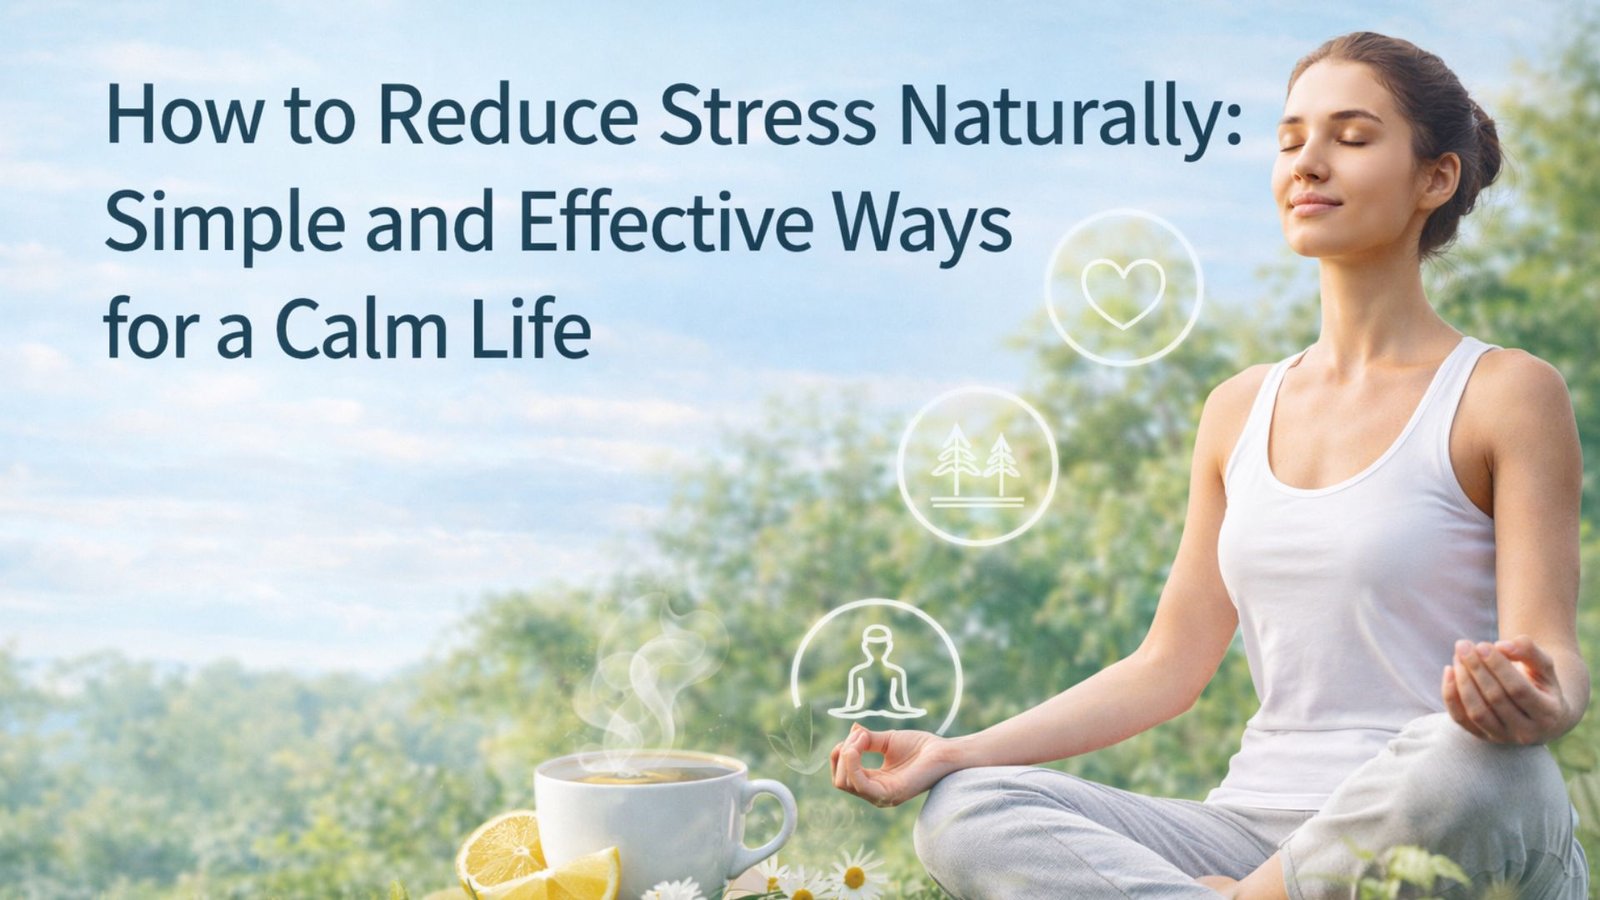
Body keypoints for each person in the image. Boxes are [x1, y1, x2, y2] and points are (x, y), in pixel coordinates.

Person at [828, 30, 1590, 900]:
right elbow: (1168, 665)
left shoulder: (1504, 393)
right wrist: (956, 751)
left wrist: (1543, 704)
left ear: (1435, 178)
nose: (1307, 163)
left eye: (1350, 137)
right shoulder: (1238, 408)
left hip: (1433, 819)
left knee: (1483, 763)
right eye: (1290, 139)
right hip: (1250, 828)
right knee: (968, 807)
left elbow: (1554, 661)